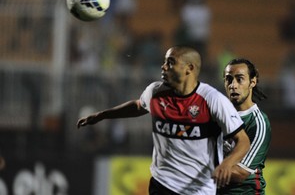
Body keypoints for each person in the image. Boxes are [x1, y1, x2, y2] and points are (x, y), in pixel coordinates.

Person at [77, 46, 250, 194]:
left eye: (170, 62)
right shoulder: (155, 92)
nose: (164, 67)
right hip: (162, 184)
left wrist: (227, 164)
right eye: (165, 61)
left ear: (189, 68)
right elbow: (138, 106)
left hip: (198, 190)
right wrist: (102, 115)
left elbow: (243, 141)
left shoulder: (212, 100)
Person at [218, 58, 272, 194]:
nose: (233, 85)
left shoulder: (258, 123)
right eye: (229, 79)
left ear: (252, 82)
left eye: (239, 79)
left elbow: (241, 173)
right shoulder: (218, 116)